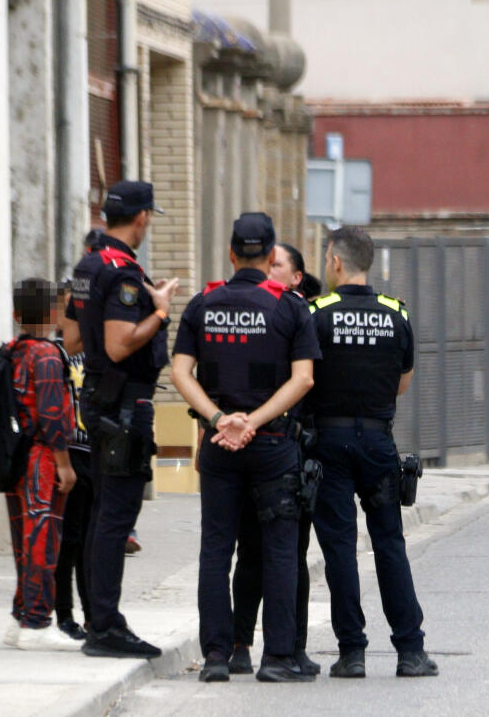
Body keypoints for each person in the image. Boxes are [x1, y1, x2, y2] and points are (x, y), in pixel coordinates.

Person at [171, 212, 322, 683]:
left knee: (216, 549)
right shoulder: (291, 307)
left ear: (232, 253)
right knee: (279, 548)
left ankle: (217, 657)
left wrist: (219, 420)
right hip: (274, 444)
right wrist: (253, 422)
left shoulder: (202, 303)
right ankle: (277, 658)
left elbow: (180, 372)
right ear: (272, 255)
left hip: (218, 447)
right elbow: (304, 379)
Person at [308, 226, 438, 679]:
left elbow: (305, 378)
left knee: (340, 547)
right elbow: (402, 382)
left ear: (337, 262)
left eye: (327, 259)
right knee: (389, 543)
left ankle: (352, 652)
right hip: (379, 443)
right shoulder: (395, 313)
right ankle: (410, 651)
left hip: (330, 442)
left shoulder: (317, 314)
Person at [62, 181, 179, 658]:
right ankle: (106, 625)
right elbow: (118, 343)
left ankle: (99, 618)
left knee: (100, 516)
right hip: (125, 408)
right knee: (115, 517)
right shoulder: (125, 274)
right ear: (142, 218)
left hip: (96, 400)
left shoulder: (88, 265)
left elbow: (70, 339)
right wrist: (162, 311)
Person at [228, 243, 321, 676]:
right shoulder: (246, 314)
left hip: (291, 446)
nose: (269, 268)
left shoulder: (301, 315)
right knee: (250, 552)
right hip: (246, 445)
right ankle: (240, 643)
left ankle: (291, 646)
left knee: (291, 554)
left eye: (278, 265)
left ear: (295, 277)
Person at [3, 278, 80, 651]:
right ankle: (36, 622)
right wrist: (64, 464)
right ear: (54, 313)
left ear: (17, 314)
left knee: (23, 537)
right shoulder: (47, 355)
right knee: (42, 537)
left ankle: (20, 616)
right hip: (40, 458)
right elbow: (52, 415)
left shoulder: (11, 350)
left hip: (13, 456)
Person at [53, 233, 102, 641]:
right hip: (65, 455)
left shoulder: (97, 351)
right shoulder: (54, 354)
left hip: (95, 455)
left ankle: (93, 615)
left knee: (90, 542)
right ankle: (63, 614)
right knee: (67, 542)